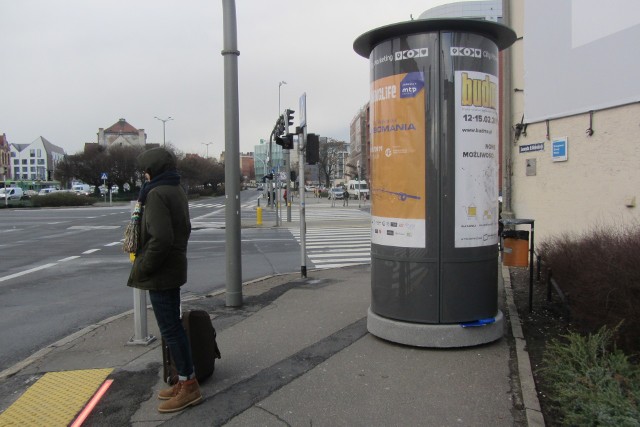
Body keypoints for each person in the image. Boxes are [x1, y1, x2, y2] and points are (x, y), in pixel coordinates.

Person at [127, 147, 201, 414]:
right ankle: (184, 380)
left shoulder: (157, 194)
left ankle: (189, 385)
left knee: (171, 329)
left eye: (145, 170)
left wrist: (143, 267)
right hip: (173, 266)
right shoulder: (175, 188)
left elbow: (160, 239)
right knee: (173, 328)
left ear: (153, 170)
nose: (144, 175)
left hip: (162, 271)